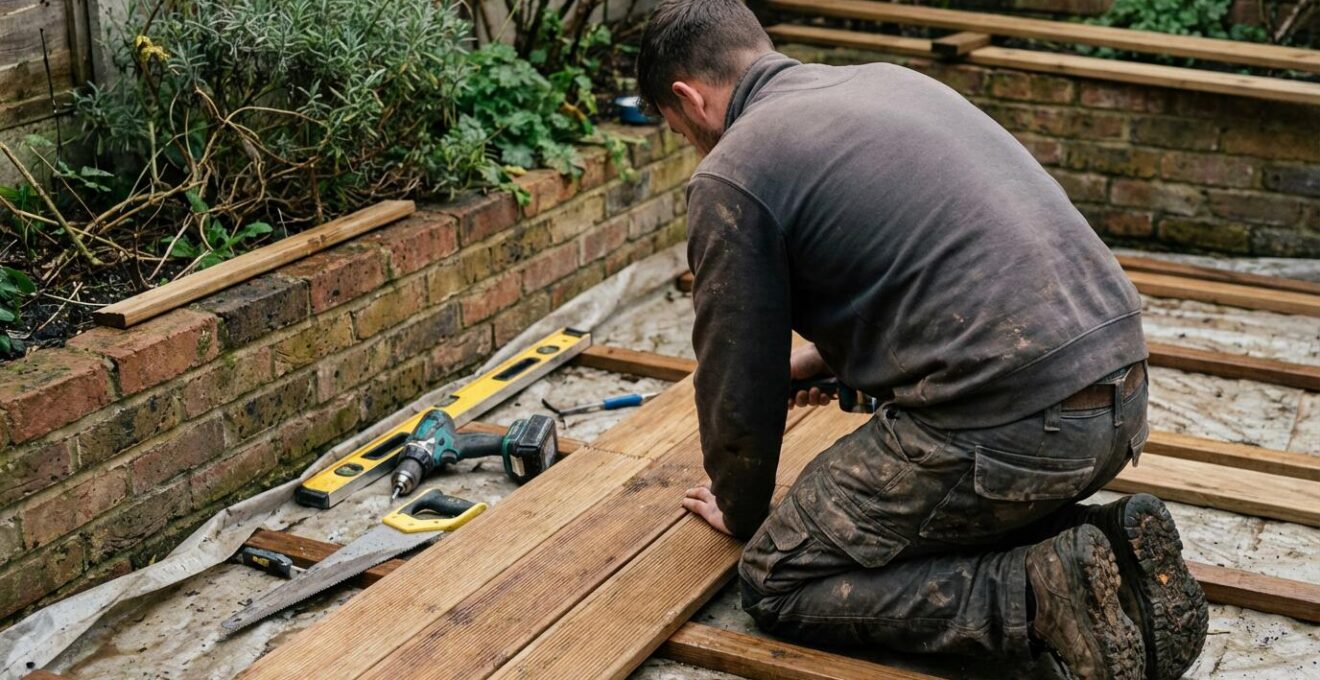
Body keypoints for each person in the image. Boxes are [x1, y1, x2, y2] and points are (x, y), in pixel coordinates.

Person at [635, 2, 1208, 679]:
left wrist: (740, 505)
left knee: (779, 575)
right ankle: (1116, 558)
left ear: (687, 98)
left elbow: (736, 377)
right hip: (1120, 396)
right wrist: (824, 360)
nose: (692, 145)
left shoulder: (736, 169)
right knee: (897, 523)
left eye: (678, 132)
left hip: (1014, 431)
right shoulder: (889, 82)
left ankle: (1031, 598)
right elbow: (943, 267)